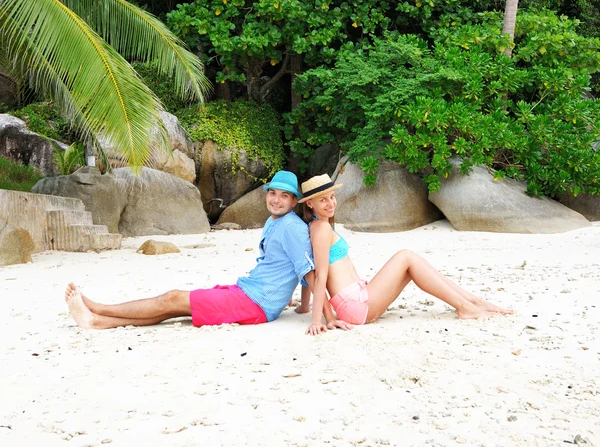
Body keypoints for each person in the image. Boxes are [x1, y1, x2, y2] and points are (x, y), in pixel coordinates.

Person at [64, 171, 349, 331]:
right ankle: (98, 320)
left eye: (284, 195)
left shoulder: (291, 227)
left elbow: (309, 272)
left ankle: (98, 309)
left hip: (255, 303)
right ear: (267, 194)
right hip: (250, 292)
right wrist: (300, 304)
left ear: (295, 201)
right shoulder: (274, 222)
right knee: (173, 308)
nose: (276, 199)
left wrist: (325, 317)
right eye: (273, 193)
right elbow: (298, 270)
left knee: (172, 299)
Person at [299, 174, 513, 336]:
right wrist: (318, 319)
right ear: (310, 203)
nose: (331, 204)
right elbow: (320, 275)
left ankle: (472, 302)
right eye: (323, 200)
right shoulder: (320, 229)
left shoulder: (321, 226)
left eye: (332, 197)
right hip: (355, 305)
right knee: (406, 257)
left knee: (412, 263)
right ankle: (466, 306)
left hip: (359, 298)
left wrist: (314, 309)